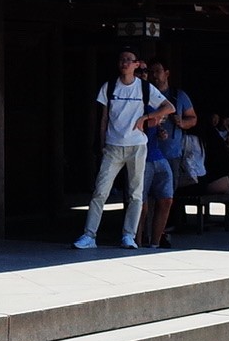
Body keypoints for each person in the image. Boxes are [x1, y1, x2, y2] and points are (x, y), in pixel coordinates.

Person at [75, 48, 166, 249]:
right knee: (100, 191)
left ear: (136, 64)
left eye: (129, 59)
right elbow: (104, 119)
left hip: (137, 146)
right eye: (122, 59)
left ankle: (129, 235)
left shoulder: (144, 88)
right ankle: (89, 235)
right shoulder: (109, 88)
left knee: (135, 193)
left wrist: (146, 117)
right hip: (113, 146)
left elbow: (169, 107)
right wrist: (101, 145)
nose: (124, 62)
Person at [138, 60, 196, 248]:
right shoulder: (145, 95)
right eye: (151, 72)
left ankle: (158, 234)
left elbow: (193, 118)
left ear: (167, 73)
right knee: (145, 199)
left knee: (165, 197)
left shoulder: (178, 97)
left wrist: (182, 123)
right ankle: (143, 237)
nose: (155, 75)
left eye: (158, 71)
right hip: (146, 152)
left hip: (171, 153)